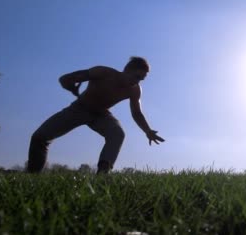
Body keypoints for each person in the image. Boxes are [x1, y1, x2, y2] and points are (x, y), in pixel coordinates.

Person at [27, 56, 165, 174]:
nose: (137, 81)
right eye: (136, 76)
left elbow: (136, 113)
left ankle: (102, 175)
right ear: (127, 70)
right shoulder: (103, 72)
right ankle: (32, 175)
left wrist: (147, 131)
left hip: (101, 115)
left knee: (117, 133)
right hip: (79, 109)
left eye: (141, 79)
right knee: (39, 137)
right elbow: (65, 78)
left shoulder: (135, 90)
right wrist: (70, 86)